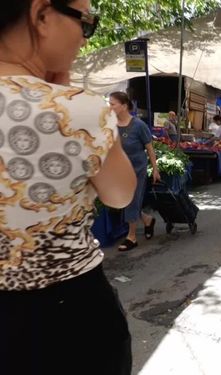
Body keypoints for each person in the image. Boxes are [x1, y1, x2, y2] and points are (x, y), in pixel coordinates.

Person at [0, 1, 137, 374]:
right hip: (70, 318)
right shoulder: (78, 109)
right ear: (42, 15)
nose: (83, 37)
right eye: (86, 22)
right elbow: (120, 194)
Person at [109, 92, 161, 252]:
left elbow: (150, 149)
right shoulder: (111, 125)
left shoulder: (139, 125)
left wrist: (155, 169)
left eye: (113, 104)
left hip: (137, 169)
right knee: (123, 200)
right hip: (120, 169)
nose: (109, 107)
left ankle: (131, 237)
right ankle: (147, 220)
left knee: (131, 200)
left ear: (124, 106)